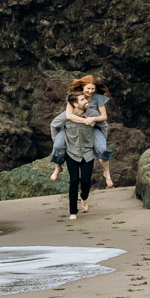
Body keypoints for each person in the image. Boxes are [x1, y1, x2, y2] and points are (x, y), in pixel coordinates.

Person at [59, 81, 105, 220]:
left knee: (85, 181)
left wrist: (101, 143)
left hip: (87, 153)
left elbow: (104, 126)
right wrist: (59, 142)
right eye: (82, 99)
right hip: (71, 152)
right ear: (74, 104)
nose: (86, 100)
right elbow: (53, 126)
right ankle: (73, 211)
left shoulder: (92, 113)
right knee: (73, 181)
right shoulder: (66, 117)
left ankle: (84, 197)